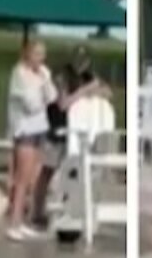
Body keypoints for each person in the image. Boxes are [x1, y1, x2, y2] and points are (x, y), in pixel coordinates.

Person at [33, 45, 113, 230]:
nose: (82, 64)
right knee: (48, 170)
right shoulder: (63, 77)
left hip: (77, 132)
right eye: (79, 60)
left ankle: (69, 210)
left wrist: (95, 91)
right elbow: (63, 104)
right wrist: (84, 92)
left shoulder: (88, 76)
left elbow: (107, 92)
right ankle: (38, 211)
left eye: (85, 61)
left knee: (73, 172)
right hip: (58, 129)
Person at [6, 39, 59, 242]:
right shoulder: (19, 74)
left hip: (40, 128)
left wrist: (45, 80)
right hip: (25, 129)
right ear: (27, 54)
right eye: (36, 53)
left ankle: (23, 221)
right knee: (21, 178)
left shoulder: (43, 73)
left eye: (42, 54)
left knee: (31, 180)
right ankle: (13, 222)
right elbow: (32, 105)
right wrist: (40, 87)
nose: (40, 58)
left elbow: (52, 97)